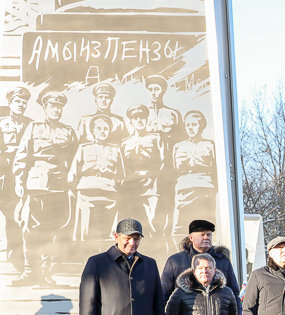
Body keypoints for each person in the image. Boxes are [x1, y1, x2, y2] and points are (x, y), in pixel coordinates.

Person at [11, 91, 78, 286]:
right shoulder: (33, 128)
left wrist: (71, 184)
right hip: (36, 185)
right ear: (44, 108)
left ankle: (46, 272)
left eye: (59, 107)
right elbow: (22, 156)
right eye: (52, 106)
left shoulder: (68, 131)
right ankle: (29, 271)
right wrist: (19, 181)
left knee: (53, 232)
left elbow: (75, 160)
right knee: (30, 230)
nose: (56, 110)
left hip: (59, 187)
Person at [68, 115, 125, 247]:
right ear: (92, 131)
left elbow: (121, 174)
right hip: (87, 194)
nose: (102, 131)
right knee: (86, 231)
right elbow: (73, 171)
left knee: (107, 232)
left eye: (105, 129)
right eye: (99, 128)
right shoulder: (83, 148)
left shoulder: (115, 149)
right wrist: (72, 187)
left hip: (109, 195)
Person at [120, 105, 165, 239]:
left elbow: (163, 162)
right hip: (132, 189)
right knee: (133, 226)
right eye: (135, 118)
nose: (139, 120)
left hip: (151, 186)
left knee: (153, 223)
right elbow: (122, 167)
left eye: (142, 117)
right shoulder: (125, 143)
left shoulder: (156, 138)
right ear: (131, 121)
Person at [0, 87, 32, 272]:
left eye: (24, 102)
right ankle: (14, 254)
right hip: (5, 175)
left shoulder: (31, 124)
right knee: (9, 214)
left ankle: (20, 256)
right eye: (18, 101)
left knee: (20, 215)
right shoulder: (2, 124)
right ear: (10, 103)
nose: (21, 105)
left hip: (22, 175)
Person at [171, 110, 216, 235]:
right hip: (183, 187)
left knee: (205, 223)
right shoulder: (178, 146)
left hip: (204, 187)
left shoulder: (209, 145)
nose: (190, 128)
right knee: (179, 225)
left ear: (201, 126)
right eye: (188, 125)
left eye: (194, 125)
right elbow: (174, 170)